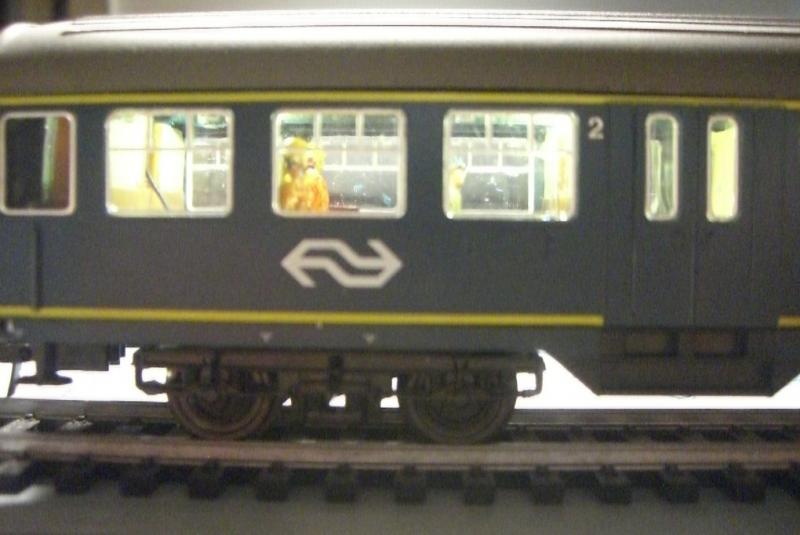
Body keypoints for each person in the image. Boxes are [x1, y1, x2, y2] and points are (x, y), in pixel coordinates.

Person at [279, 137, 329, 212]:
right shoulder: (286, 183)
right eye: (289, 162)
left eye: (294, 163)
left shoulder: (315, 181)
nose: (292, 167)